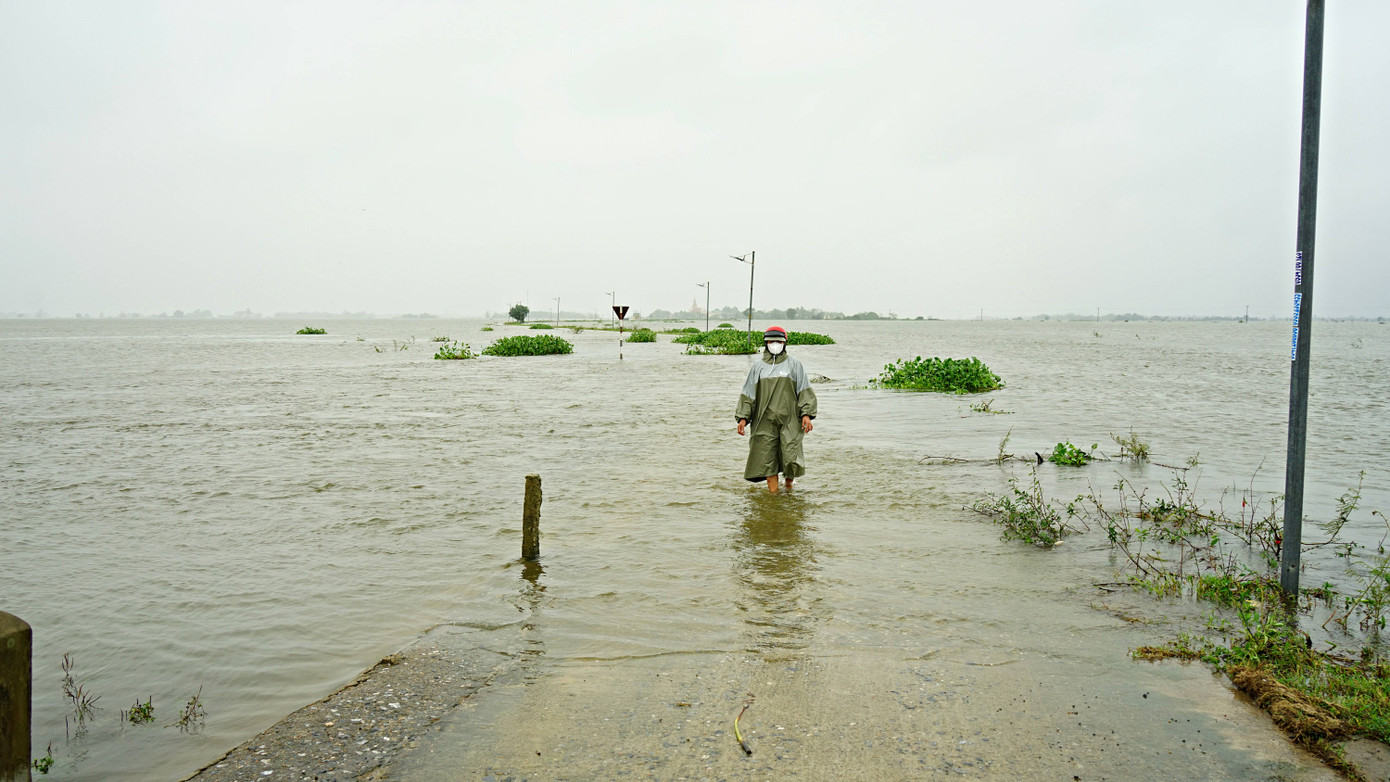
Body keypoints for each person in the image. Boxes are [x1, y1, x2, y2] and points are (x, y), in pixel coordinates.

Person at [735, 327, 818, 493]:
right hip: (763, 420)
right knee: (767, 458)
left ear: (784, 343)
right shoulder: (758, 367)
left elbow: (804, 390)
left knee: (790, 456)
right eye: (771, 341)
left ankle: (788, 487)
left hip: (790, 419)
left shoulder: (794, 365)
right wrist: (743, 418)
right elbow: (748, 394)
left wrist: (806, 414)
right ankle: (774, 497)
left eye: (779, 341)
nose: (775, 344)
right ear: (765, 343)